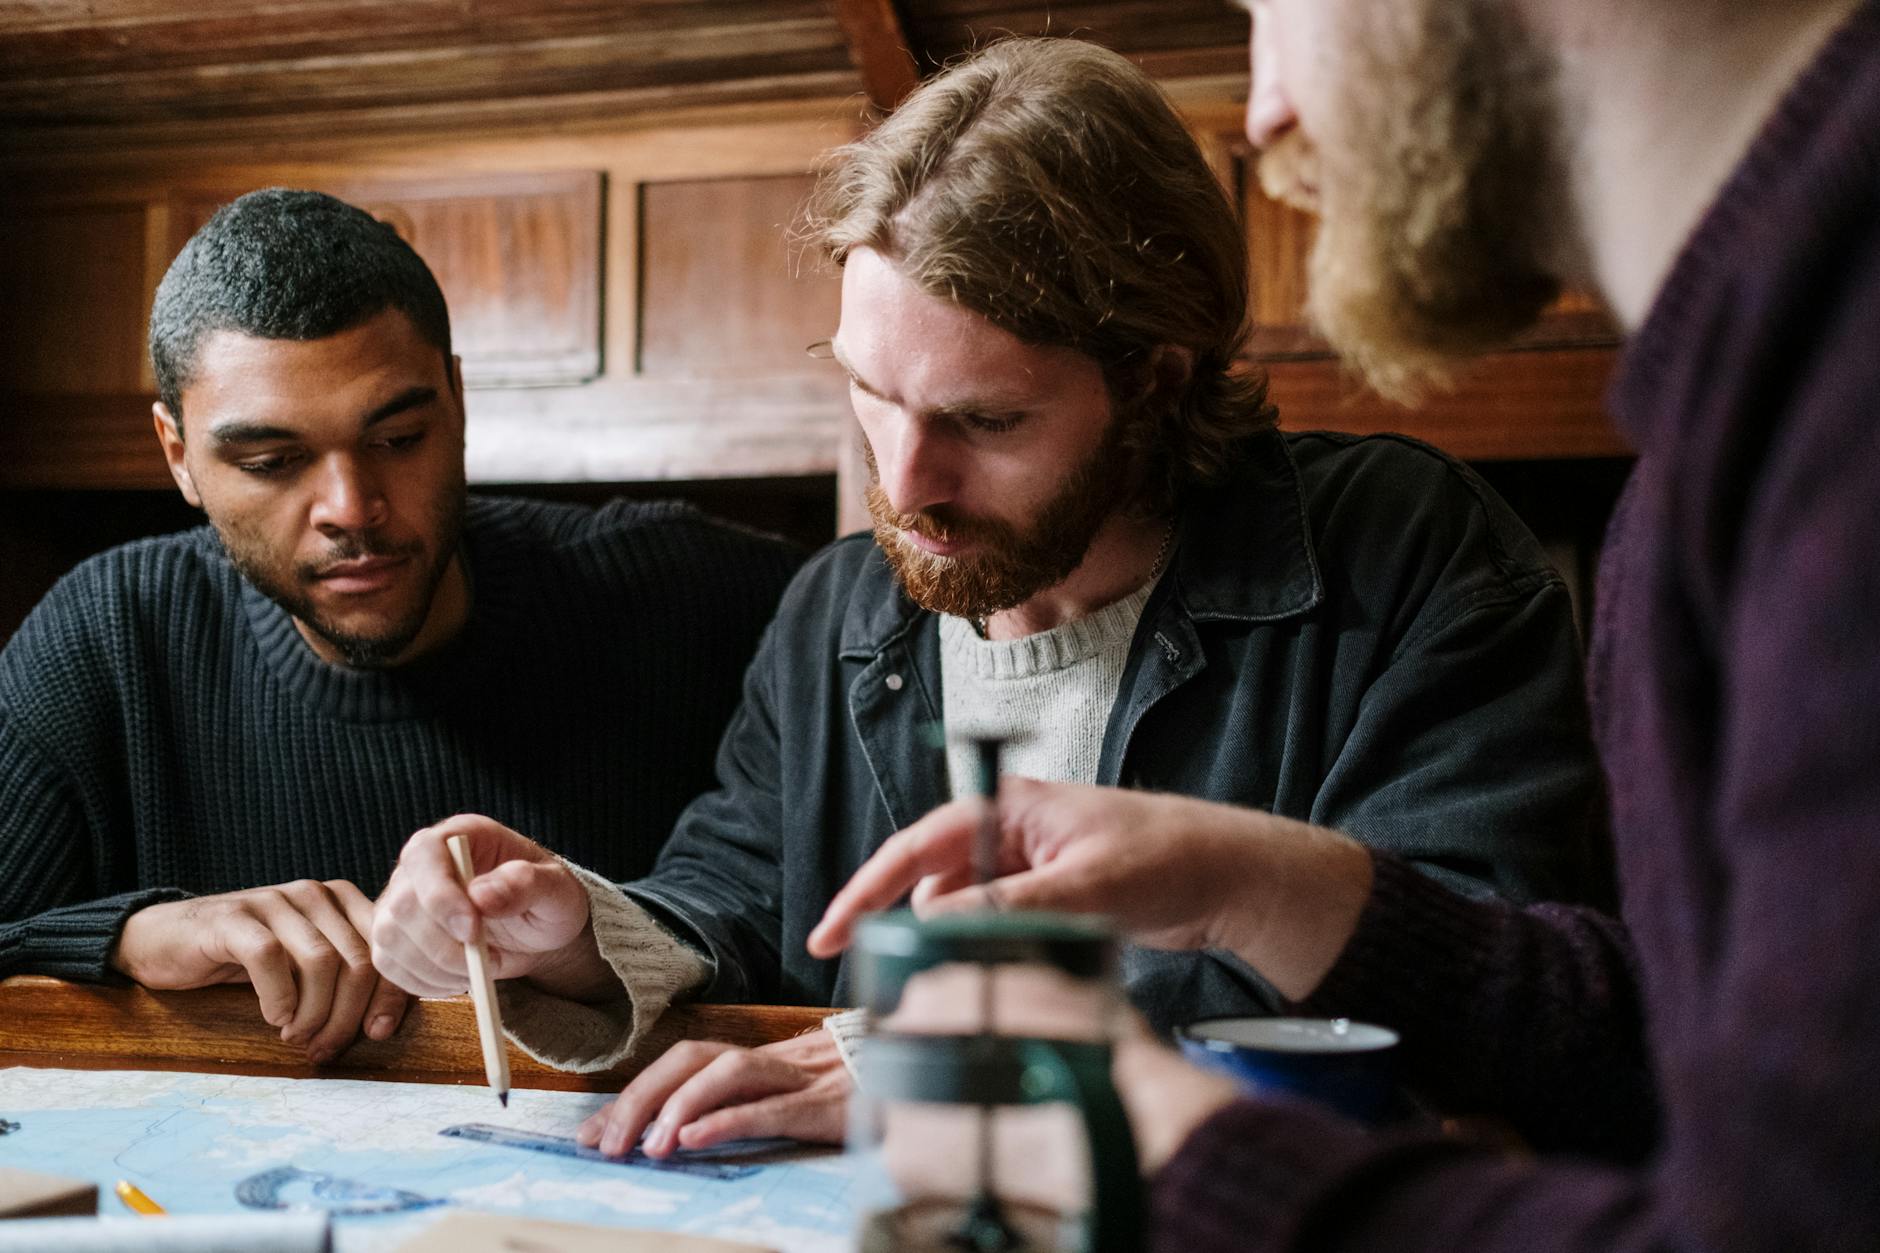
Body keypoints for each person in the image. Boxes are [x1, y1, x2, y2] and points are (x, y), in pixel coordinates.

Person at [370, 38, 1610, 1161]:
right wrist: (572, 934)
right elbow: (744, 906)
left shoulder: (1408, 557)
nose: (902, 487)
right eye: (869, 389)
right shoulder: (835, 610)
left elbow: (1484, 995)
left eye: (985, 418)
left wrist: (961, 1065)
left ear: (1156, 380)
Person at [817, 1, 1880, 1249]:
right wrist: (1263, 880)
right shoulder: (1719, 438)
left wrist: (1157, 1145)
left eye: (1274, 7)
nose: (1265, 114)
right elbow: (1677, 1050)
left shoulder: (1841, 395)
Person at [0, 189, 800, 1067]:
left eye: (399, 437)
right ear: (178, 454)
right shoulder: (108, 634)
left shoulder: (680, 589)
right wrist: (132, 933)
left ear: (457, 400)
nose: (351, 508)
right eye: (272, 462)